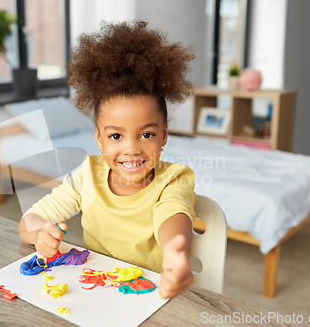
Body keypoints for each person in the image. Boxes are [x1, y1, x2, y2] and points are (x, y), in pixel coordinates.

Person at [19, 20, 197, 299]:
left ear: (164, 135)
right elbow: (28, 221)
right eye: (116, 137)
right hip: (96, 290)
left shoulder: (174, 178)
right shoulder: (86, 174)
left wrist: (176, 250)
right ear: (99, 139)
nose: (132, 149)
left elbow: (173, 215)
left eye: (146, 134)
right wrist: (39, 233)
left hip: (149, 297)